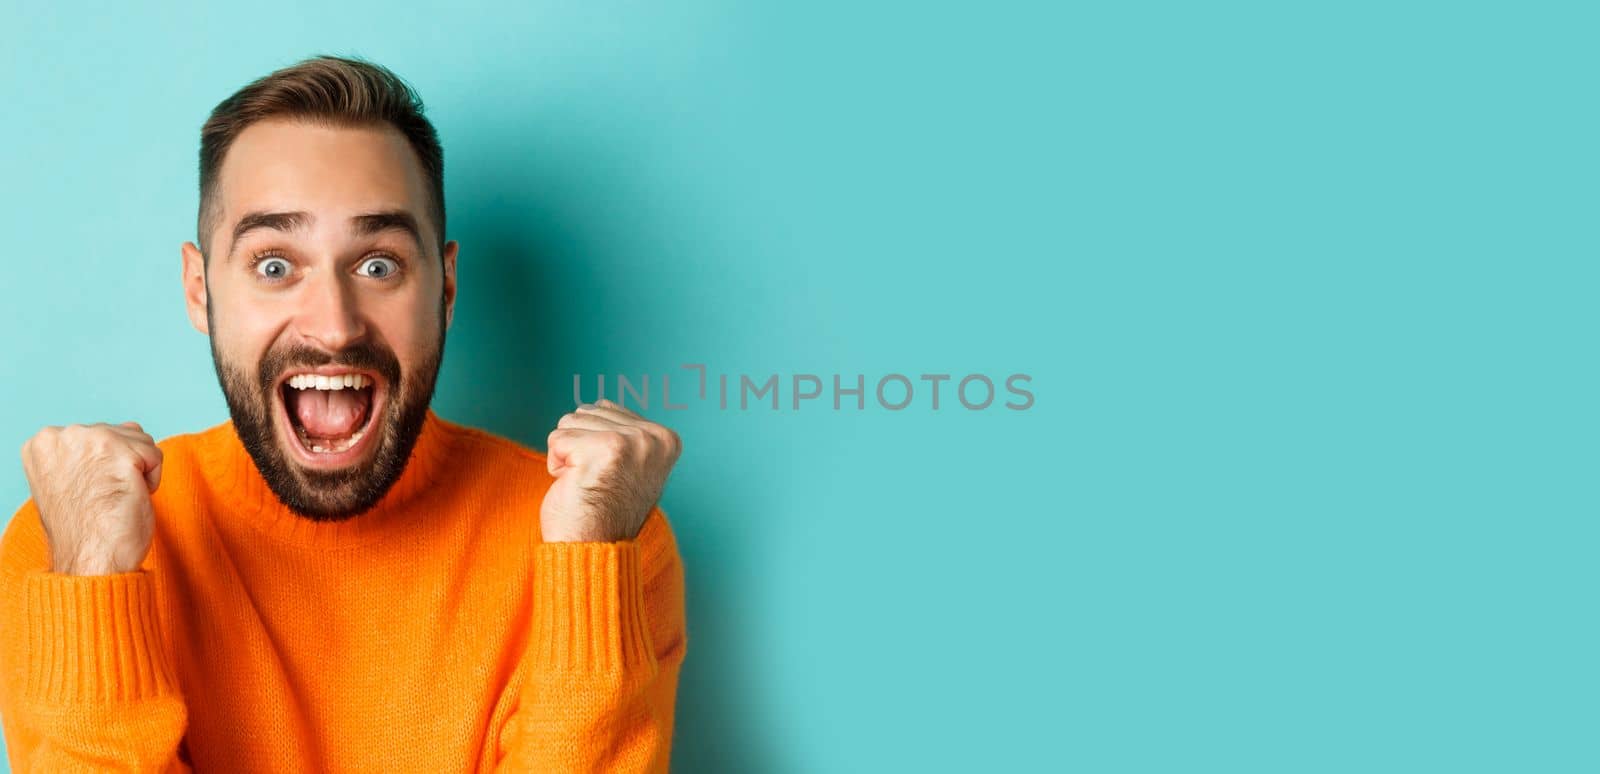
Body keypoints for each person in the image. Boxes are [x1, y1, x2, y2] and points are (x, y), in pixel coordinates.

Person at [0, 55, 687, 773]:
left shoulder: (607, 541)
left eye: (378, 264)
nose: (333, 327)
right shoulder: (66, 553)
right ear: (200, 291)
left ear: (445, 289)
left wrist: (588, 570)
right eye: (274, 265)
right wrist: (91, 582)